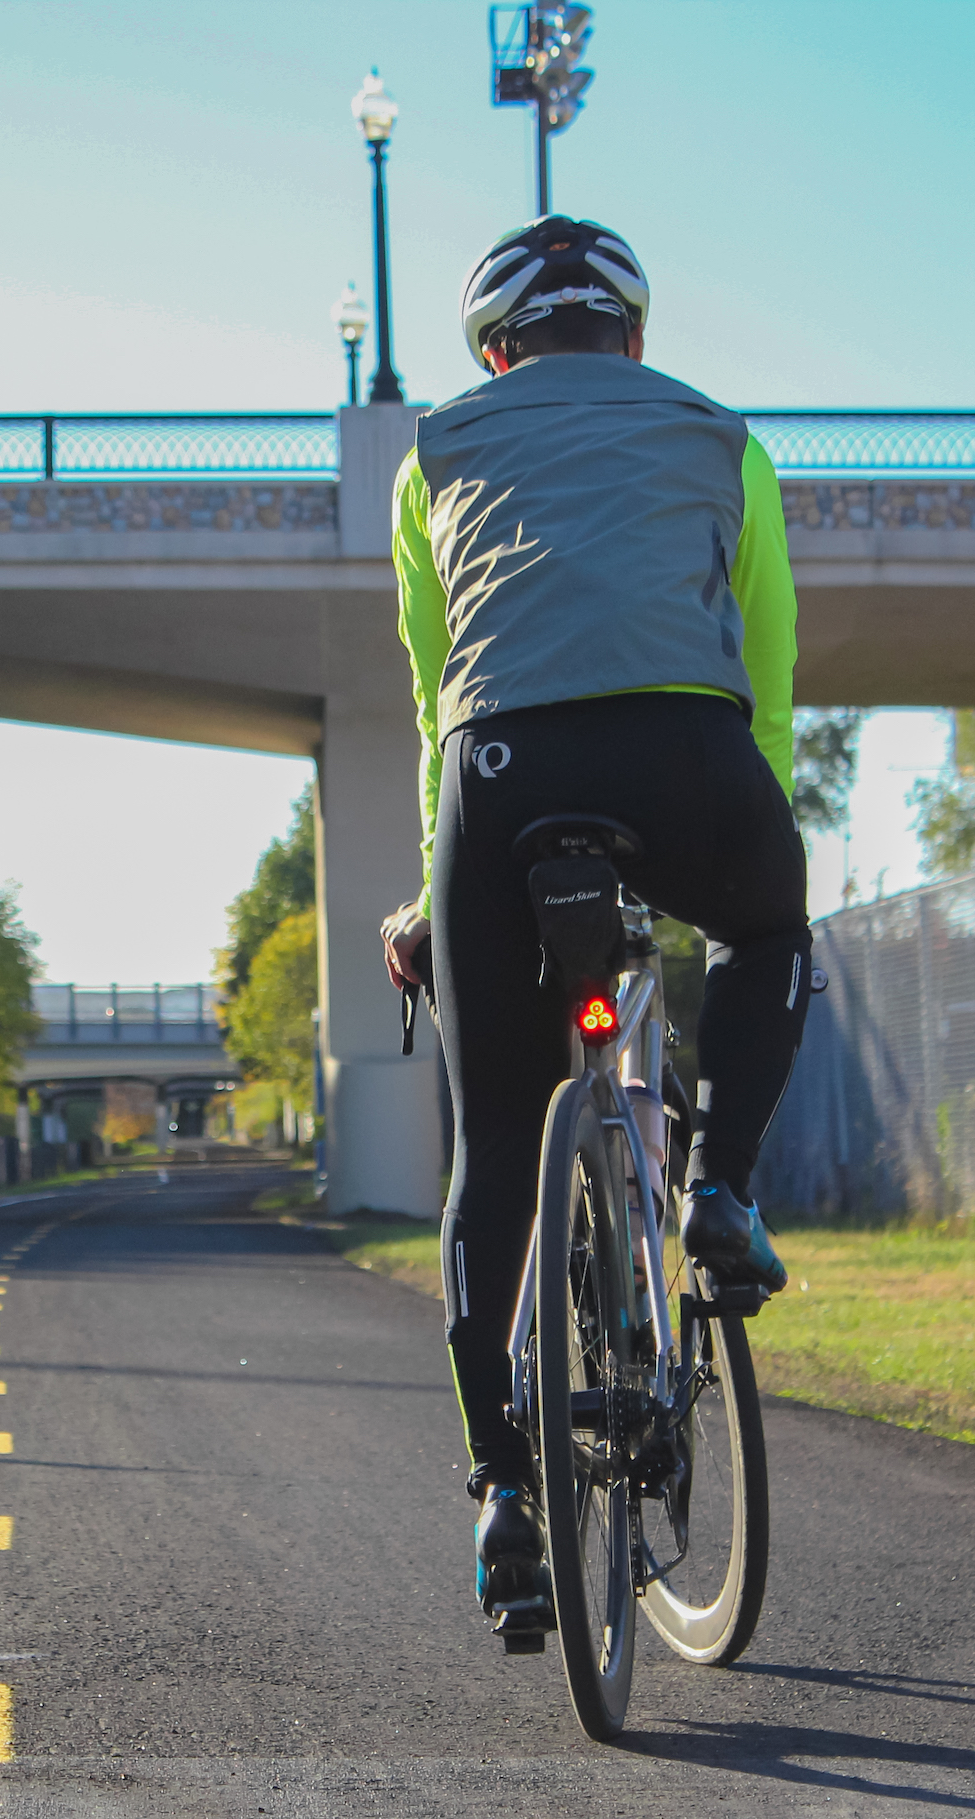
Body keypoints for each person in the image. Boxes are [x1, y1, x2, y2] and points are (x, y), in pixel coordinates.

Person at [374, 215, 813, 1631]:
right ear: (633, 337)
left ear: (492, 354)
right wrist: (761, 832)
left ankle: (504, 1487)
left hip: (500, 781)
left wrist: (428, 888)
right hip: (688, 760)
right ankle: (720, 1194)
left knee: (498, 1129)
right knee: (766, 932)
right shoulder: (724, 440)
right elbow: (767, 659)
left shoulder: (432, 453)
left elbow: (440, 689)